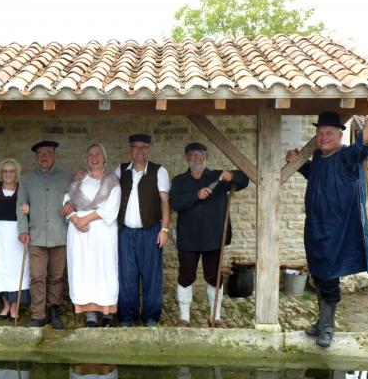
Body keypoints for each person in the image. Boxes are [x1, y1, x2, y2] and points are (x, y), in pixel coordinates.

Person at [285, 88, 368, 348]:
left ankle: (328, 327)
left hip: (337, 230)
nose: (322, 137)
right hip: (315, 228)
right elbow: (316, 176)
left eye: (328, 133)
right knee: (319, 274)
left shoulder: (348, 157)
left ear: (340, 135)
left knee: (329, 277)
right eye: (319, 133)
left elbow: (365, 143)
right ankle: (321, 322)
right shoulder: (319, 157)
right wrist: (298, 163)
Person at [169, 142, 249, 328]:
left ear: (207, 157)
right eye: (192, 155)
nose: (197, 158)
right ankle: (184, 317)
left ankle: (216, 317)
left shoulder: (218, 177)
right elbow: (175, 204)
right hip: (188, 238)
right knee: (186, 276)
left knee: (215, 277)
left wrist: (233, 175)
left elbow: (245, 179)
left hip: (214, 237)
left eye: (201, 154)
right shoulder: (180, 181)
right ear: (186, 158)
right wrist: (196, 195)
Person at [115, 134, 171, 327]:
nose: (139, 151)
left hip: (150, 231)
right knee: (126, 275)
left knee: (152, 275)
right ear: (130, 149)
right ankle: (127, 316)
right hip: (125, 232)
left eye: (144, 147)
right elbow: (105, 189)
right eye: (136, 147)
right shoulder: (121, 170)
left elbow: (165, 202)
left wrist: (164, 229)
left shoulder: (159, 171)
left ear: (149, 149)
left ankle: (150, 315)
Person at [17, 140, 73, 329]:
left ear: (54, 155)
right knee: (37, 276)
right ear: (35, 157)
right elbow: (20, 206)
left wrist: (72, 205)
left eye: (48, 152)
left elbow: (76, 199)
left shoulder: (67, 177)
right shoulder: (26, 179)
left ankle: (53, 310)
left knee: (57, 276)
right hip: (36, 235)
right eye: (40, 153)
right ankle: (38, 314)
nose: (44, 156)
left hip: (60, 234)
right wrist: (23, 229)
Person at [65, 144, 121, 328]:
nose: (94, 158)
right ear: (86, 158)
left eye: (98, 154)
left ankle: (106, 314)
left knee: (104, 270)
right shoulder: (78, 179)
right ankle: (90, 314)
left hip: (103, 233)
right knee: (85, 270)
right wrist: (74, 219)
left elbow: (111, 207)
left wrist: (85, 219)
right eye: (90, 155)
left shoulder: (112, 180)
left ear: (105, 158)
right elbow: (67, 201)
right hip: (80, 235)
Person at [0, 158, 30, 321]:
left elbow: (33, 211)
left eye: (12, 171)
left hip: (17, 234)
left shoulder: (23, 190)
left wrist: (29, 210)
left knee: (16, 271)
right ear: (1, 174)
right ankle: (6, 306)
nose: (8, 174)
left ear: (17, 173)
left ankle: (15, 307)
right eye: (5, 171)